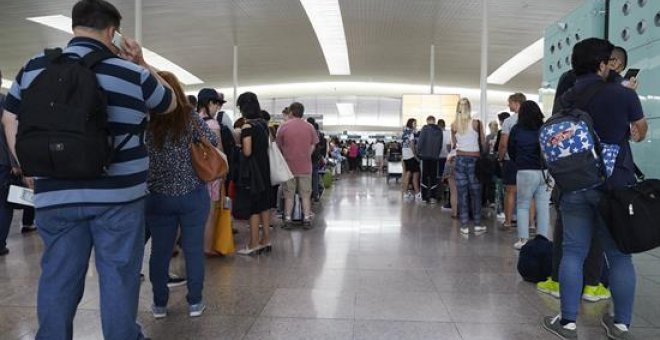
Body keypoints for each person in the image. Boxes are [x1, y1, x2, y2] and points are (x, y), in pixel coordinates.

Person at [1, 0, 177, 338]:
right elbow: (169, 103)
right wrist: (142, 62)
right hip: (119, 197)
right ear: (113, 32)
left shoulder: (33, 68)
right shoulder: (131, 73)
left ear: (74, 27)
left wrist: (30, 169)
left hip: (55, 193)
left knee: (59, 276)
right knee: (118, 276)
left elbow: (10, 119)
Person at [542, 38, 648, 340]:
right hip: (614, 186)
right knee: (619, 257)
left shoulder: (567, 97)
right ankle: (621, 324)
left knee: (573, 253)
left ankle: (568, 322)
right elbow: (639, 134)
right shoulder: (621, 95)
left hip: (574, 184)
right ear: (604, 65)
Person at [146, 71, 216, 319]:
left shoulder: (146, 118)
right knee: (193, 249)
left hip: (157, 197)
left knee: (160, 251)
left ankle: (159, 305)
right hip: (192, 194)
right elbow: (212, 140)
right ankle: (195, 303)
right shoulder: (188, 116)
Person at [507, 101, 553, 250]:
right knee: (543, 206)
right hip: (545, 172)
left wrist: (520, 161)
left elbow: (511, 150)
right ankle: (542, 239)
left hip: (525, 171)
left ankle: (523, 240)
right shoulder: (545, 128)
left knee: (523, 206)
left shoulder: (517, 129)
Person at [234, 92, 272, 253]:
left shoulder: (247, 127)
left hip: (253, 172)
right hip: (264, 169)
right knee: (264, 205)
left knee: (253, 208)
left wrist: (238, 145)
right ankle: (266, 240)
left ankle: (253, 244)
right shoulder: (263, 124)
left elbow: (247, 151)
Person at [276, 102, 318, 228]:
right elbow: (313, 144)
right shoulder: (310, 127)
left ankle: (288, 219)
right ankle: (306, 219)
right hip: (305, 167)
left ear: (291, 112)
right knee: (305, 195)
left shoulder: (283, 127)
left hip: (288, 167)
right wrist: (306, 155)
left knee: (289, 195)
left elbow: (278, 146)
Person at [451, 98, 486, 234]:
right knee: (476, 193)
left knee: (462, 193)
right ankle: (477, 224)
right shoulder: (477, 123)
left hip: (459, 160)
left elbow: (454, 145)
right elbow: (483, 142)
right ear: (469, 108)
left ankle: (464, 226)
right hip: (474, 160)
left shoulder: (454, 125)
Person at [197, 88, 223, 255]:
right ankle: (207, 247)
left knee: (194, 213)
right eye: (216, 104)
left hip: (195, 171)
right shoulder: (212, 124)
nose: (217, 108)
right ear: (209, 103)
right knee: (210, 212)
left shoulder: (192, 121)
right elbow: (219, 150)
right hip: (211, 173)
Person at [497, 93, 527, 230]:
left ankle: (508, 221)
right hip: (529, 161)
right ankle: (530, 224)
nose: (508, 105)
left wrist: (500, 157)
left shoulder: (509, 121)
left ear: (516, 103)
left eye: (509, 103)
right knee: (528, 194)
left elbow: (503, 143)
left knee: (510, 191)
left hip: (512, 160)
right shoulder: (533, 120)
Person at [417, 115, 444, 204]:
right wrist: (436, 154)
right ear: (434, 120)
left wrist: (418, 151)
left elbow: (420, 142)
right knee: (433, 177)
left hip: (425, 156)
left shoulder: (425, 128)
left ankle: (424, 197)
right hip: (435, 157)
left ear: (427, 121)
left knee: (424, 176)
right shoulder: (439, 130)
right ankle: (433, 197)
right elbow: (440, 145)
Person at [401, 118, 421, 202]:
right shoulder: (411, 133)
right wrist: (416, 157)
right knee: (415, 175)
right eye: (414, 123)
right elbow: (412, 146)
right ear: (411, 124)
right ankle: (417, 194)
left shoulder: (404, 133)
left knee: (407, 174)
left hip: (405, 156)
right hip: (411, 156)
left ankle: (405, 193)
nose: (415, 125)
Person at [437, 119, 451, 206]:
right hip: (448, 157)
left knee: (439, 176)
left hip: (439, 157)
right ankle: (447, 192)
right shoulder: (449, 133)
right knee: (448, 176)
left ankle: (440, 194)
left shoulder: (437, 133)